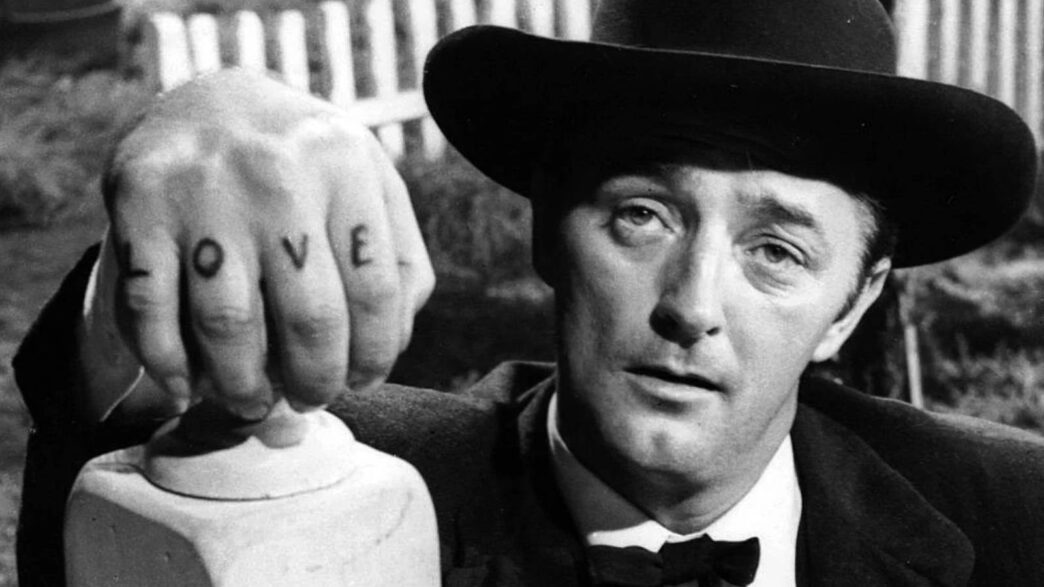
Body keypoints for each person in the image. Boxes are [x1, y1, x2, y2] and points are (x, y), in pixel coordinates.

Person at [14, 0, 1044, 585]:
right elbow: (108, 449)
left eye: (775, 250)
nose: (692, 305)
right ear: (548, 226)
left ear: (852, 305)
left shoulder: (1012, 514)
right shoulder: (345, 486)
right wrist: (209, 120)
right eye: (643, 215)